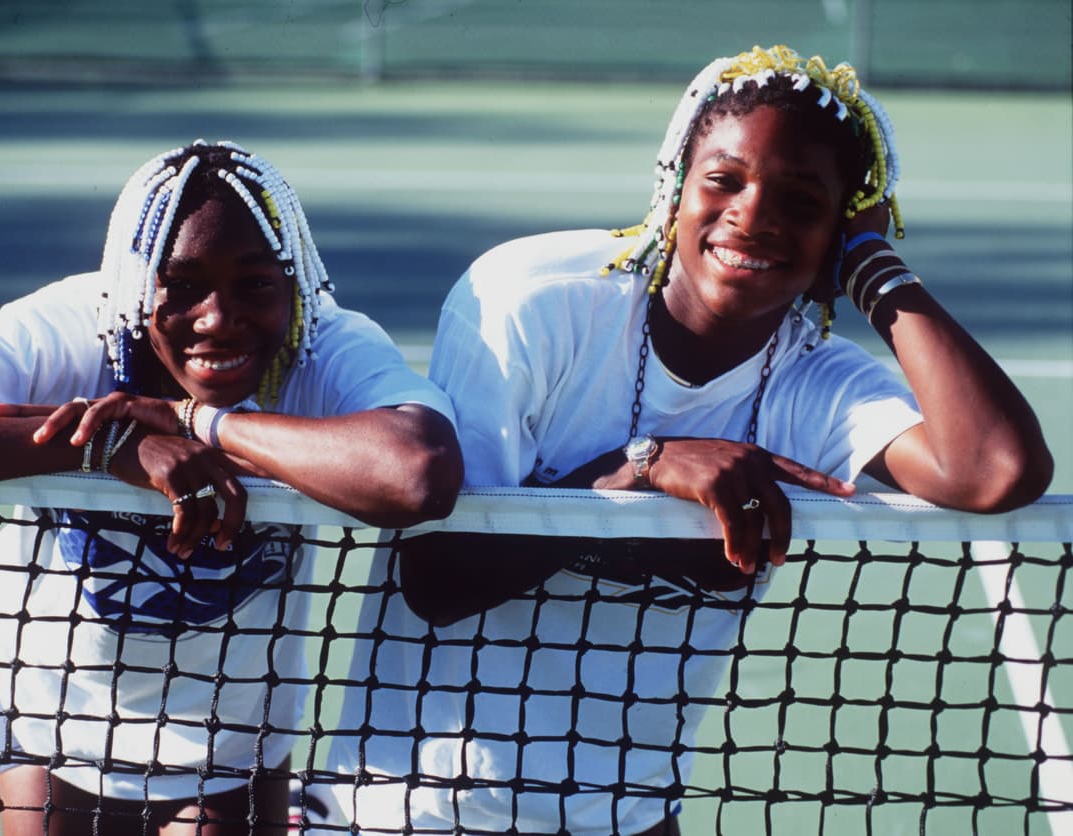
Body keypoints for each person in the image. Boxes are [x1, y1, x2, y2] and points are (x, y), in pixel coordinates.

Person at [315, 46, 1052, 834]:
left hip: (627, 815)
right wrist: (641, 467)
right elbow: (438, 578)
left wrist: (873, 264)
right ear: (673, 187)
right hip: (417, 809)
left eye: (802, 201)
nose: (754, 215)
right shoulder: (533, 304)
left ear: (837, 231)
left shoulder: (817, 385)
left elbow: (996, 469)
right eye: (725, 180)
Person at [0, 140, 463, 835]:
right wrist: (102, 446)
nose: (217, 318)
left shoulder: (320, 344)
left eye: (255, 285)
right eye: (182, 286)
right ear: (138, 285)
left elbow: (416, 472)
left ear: (293, 287)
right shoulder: (70, 328)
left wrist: (198, 421)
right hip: (56, 726)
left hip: (232, 742)